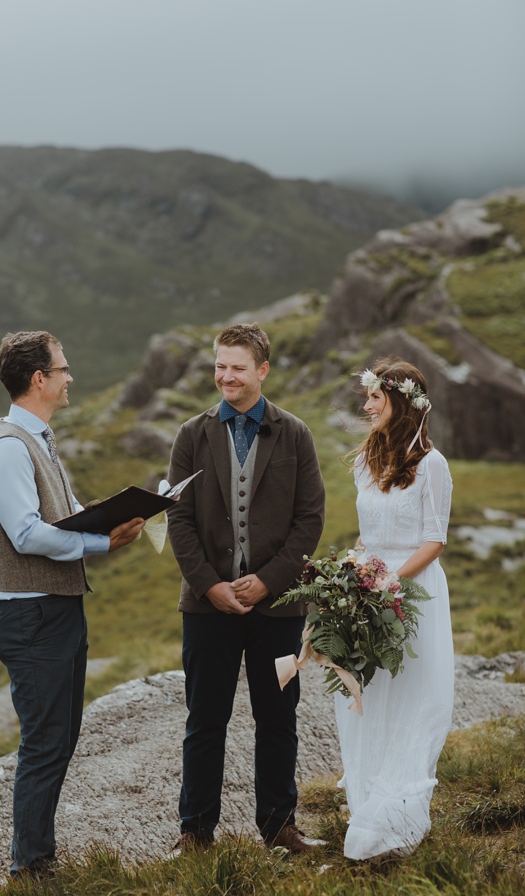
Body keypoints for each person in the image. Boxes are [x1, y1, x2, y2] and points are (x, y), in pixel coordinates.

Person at [0, 331, 144, 878]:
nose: (71, 377)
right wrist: (102, 543)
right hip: (32, 616)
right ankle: (31, 869)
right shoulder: (6, 449)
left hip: (57, 609)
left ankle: (38, 855)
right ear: (38, 379)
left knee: (61, 736)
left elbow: (63, 513)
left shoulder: (41, 440)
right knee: (46, 742)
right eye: (63, 369)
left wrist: (118, 516)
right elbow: (26, 534)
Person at [166, 322, 326, 854]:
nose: (226, 377)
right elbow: (179, 522)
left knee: (277, 719)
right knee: (204, 721)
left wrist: (271, 581)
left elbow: (310, 520)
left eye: (238, 367)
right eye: (220, 366)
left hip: (278, 608)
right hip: (206, 607)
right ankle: (195, 833)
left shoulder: (295, 434)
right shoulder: (191, 435)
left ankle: (280, 827)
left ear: (262, 370)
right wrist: (210, 586)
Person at [335, 356, 454, 860]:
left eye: (375, 399)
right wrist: (352, 568)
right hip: (369, 591)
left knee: (411, 696)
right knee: (369, 692)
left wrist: (388, 580)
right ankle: (367, 801)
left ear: (401, 403)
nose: (366, 406)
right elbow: (369, 533)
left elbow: (434, 540)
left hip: (415, 592)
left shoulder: (432, 465)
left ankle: (399, 809)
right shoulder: (366, 462)